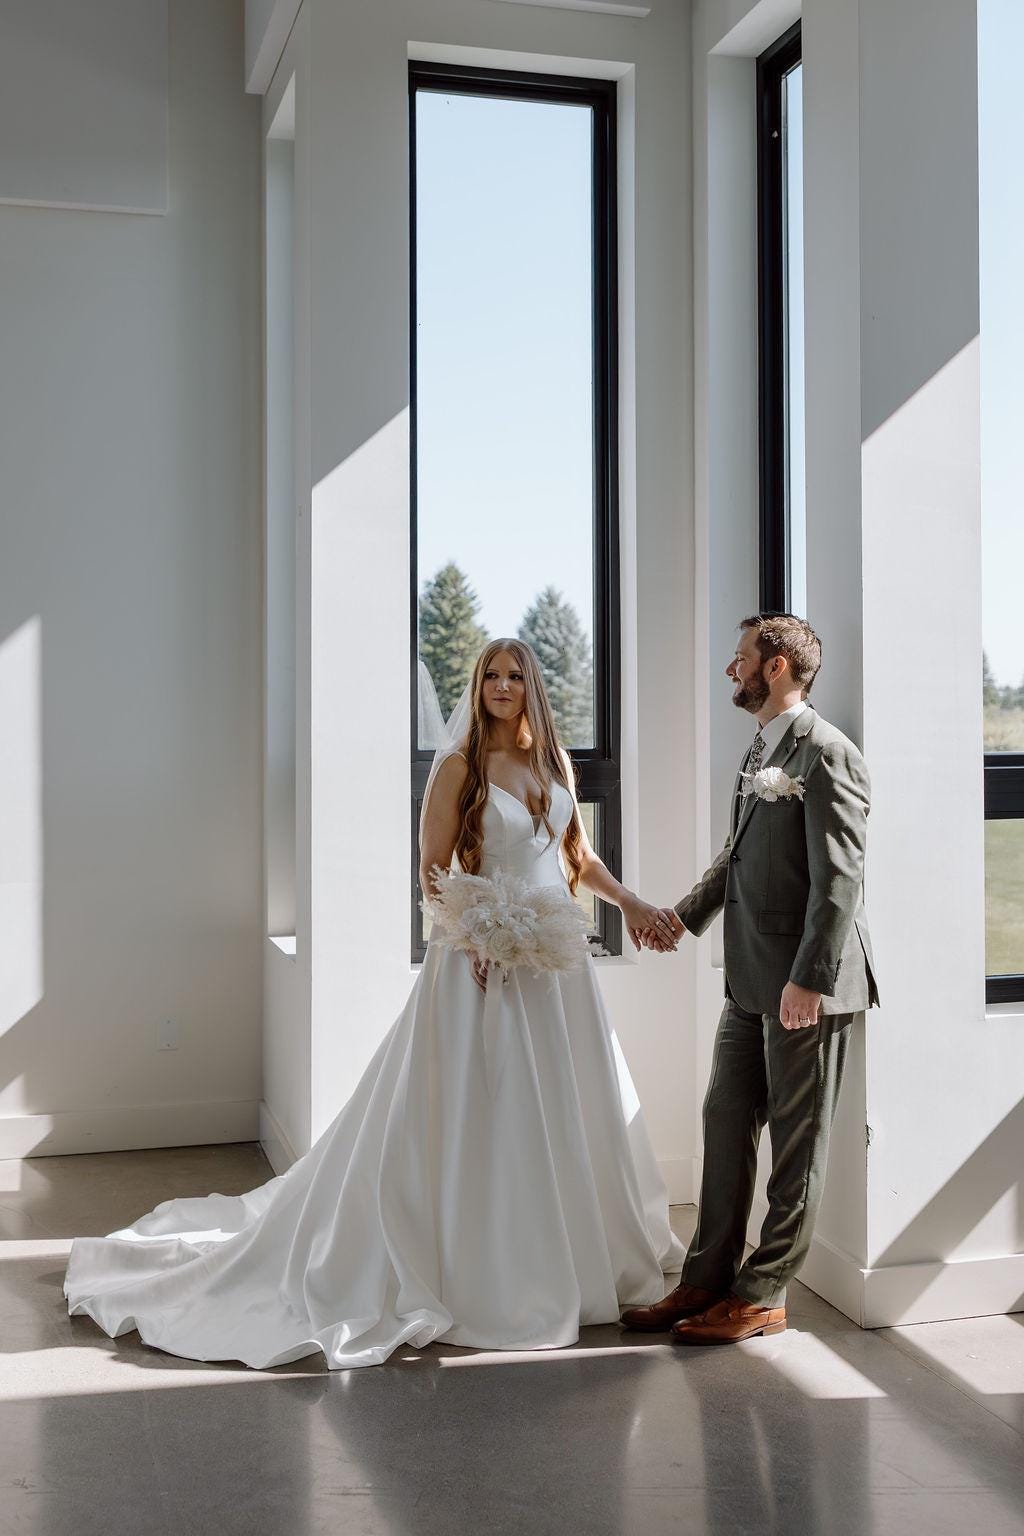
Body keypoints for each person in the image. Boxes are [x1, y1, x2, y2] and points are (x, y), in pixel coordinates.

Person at [64, 638, 684, 1369]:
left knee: (567, 1105)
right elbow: (432, 869)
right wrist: (473, 935)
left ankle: (578, 1258)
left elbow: (573, 857)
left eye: (515, 676)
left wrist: (630, 902)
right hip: (480, 964)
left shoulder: (553, 763)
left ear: (533, 687)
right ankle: (492, 1272)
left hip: (554, 970)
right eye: (490, 675)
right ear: (477, 685)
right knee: (484, 1111)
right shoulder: (460, 767)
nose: (502, 686)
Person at [621, 613, 878, 1345]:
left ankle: (763, 1295)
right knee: (725, 1118)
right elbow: (735, 857)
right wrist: (679, 918)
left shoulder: (829, 754)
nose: (730, 670)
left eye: (740, 659)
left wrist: (810, 980)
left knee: (798, 1144)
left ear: (776, 667)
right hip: (749, 980)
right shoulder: (761, 748)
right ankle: (705, 1280)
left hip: (805, 986)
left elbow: (840, 882)